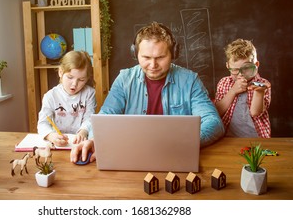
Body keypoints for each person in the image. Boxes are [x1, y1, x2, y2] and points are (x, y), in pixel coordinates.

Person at [71, 21, 224, 163]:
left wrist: (184, 143)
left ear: (173, 53)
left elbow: (213, 122)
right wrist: (94, 140)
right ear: (135, 54)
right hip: (132, 155)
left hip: (176, 156)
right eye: (146, 57)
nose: (153, 65)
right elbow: (105, 116)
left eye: (161, 57)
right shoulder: (124, 79)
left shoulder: (190, 81)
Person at [214, 38, 271, 138]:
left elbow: (255, 113)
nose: (241, 74)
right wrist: (233, 91)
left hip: (256, 137)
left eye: (247, 69)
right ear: (228, 66)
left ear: (256, 65)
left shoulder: (263, 84)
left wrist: (259, 92)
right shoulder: (224, 83)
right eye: (235, 70)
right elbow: (217, 111)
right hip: (227, 137)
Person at [37, 50, 96, 147]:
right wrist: (50, 136)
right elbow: (43, 123)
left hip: (81, 143)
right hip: (58, 144)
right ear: (61, 72)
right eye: (70, 77)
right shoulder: (50, 96)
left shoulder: (89, 93)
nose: (74, 84)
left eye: (81, 80)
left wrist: (83, 131)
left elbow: (89, 117)